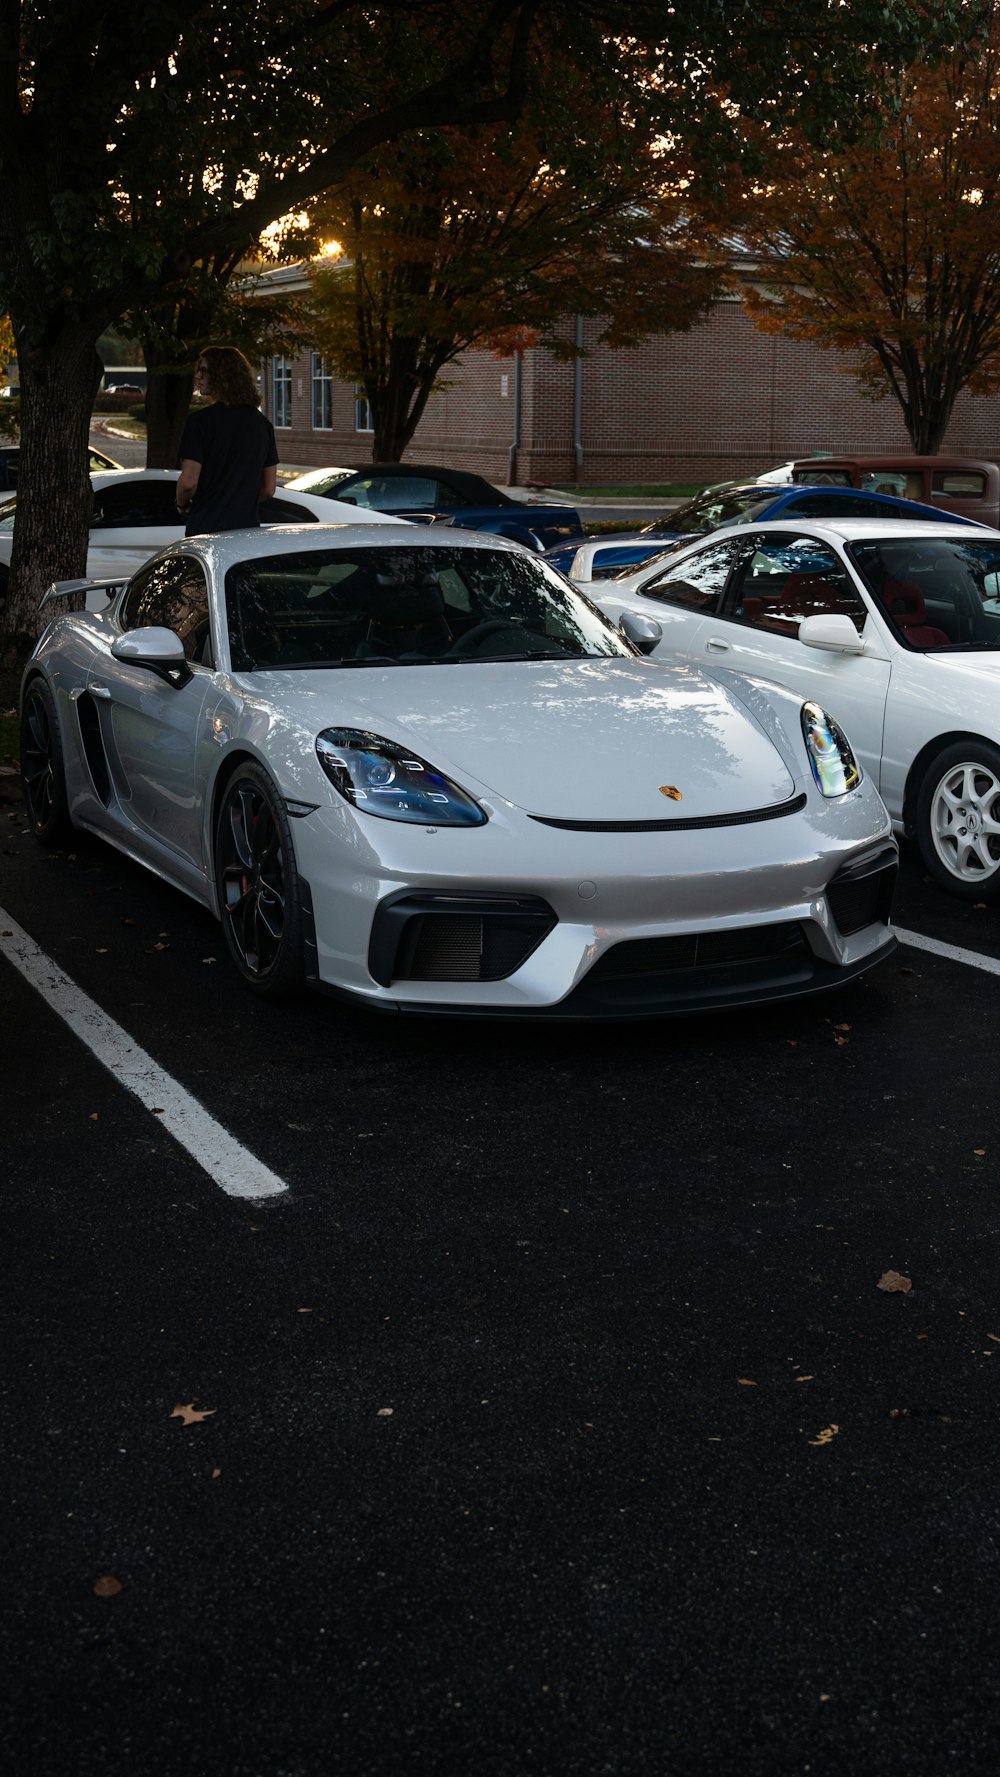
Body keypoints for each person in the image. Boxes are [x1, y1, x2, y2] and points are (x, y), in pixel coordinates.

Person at [174, 346, 279, 536]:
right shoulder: (263, 425)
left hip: (206, 530)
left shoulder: (200, 422)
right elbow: (269, 489)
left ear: (222, 375)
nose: (197, 376)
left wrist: (181, 504)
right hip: (246, 532)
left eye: (204, 370)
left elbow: (188, 482)